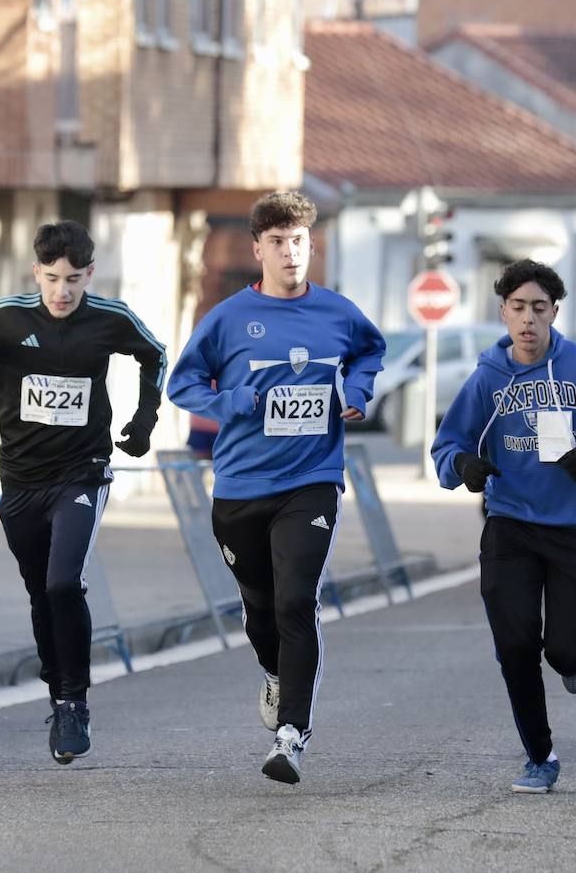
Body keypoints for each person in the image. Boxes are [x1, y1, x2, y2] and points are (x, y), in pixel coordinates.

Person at [166, 191, 385, 785]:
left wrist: (357, 393)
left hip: (310, 480)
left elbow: (371, 351)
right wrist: (228, 402)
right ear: (258, 248)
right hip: (239, 486)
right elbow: (180, 383)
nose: (291, 252)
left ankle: (292, 734)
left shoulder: (338, 312)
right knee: (261, 611)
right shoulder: (228, 318)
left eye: (300, 242)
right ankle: (274, 670)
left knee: (295, 600)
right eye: (279, 242)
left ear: (310, 246)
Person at [0, 220, 165, 765]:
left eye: (75, 280)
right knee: (40, 593)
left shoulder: (110, 319)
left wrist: (144, 419)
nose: (63, 292)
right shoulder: (8, 316)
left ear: (89, 275)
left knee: (64, 583)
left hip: (81, 473)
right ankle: (56, 693)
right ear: (36, 271)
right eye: (53, 278)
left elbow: (154, 353)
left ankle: (74, 702)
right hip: (20, 481)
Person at [431, 259, 576, 795]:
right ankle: (540, 755)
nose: (528, 319)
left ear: (555, 312)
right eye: (517, 308)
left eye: (539, 308)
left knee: (563, 653)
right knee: (514, 643)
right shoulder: (487, 378)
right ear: (502, 312)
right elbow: (447, 446)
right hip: (511, 527)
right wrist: (465, 468)